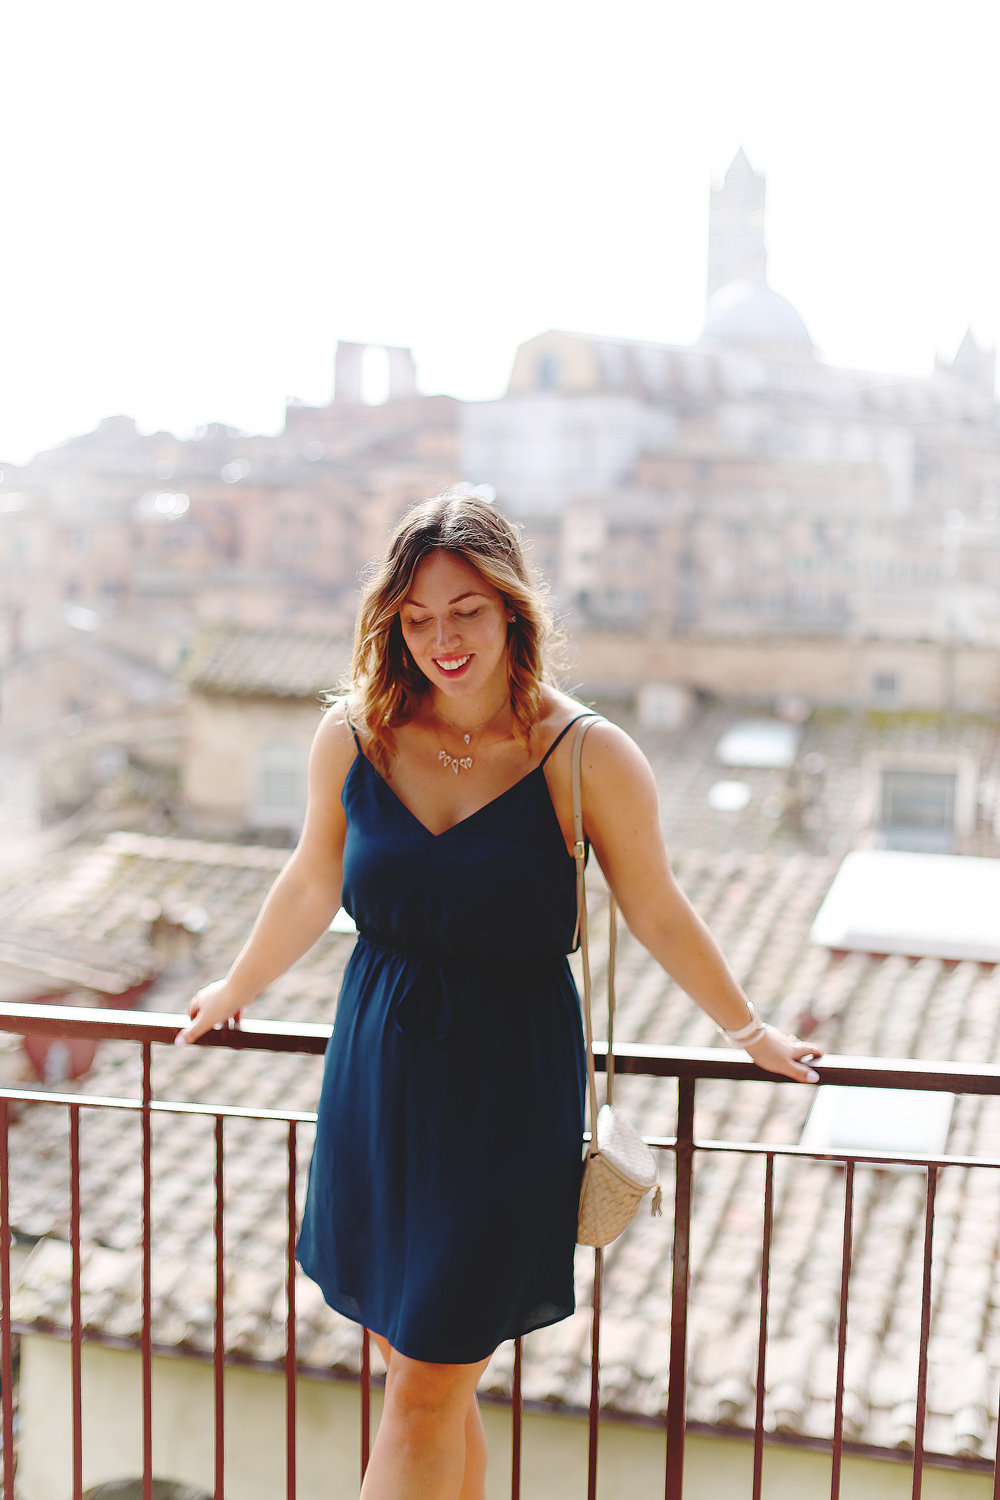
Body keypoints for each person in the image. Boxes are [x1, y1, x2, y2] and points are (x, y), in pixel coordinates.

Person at [176, 492, 822, 1500]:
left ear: (512, 608)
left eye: (466, 611)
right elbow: (309, 883)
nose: (442, 639)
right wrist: (234, 985)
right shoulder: (353, 737)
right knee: (422, 1377)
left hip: (505, 1089)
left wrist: (745, 1030)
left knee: (426, 1387)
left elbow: (655, 909)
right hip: (376, 1081)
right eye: (419, 618)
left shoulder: (587, 758)